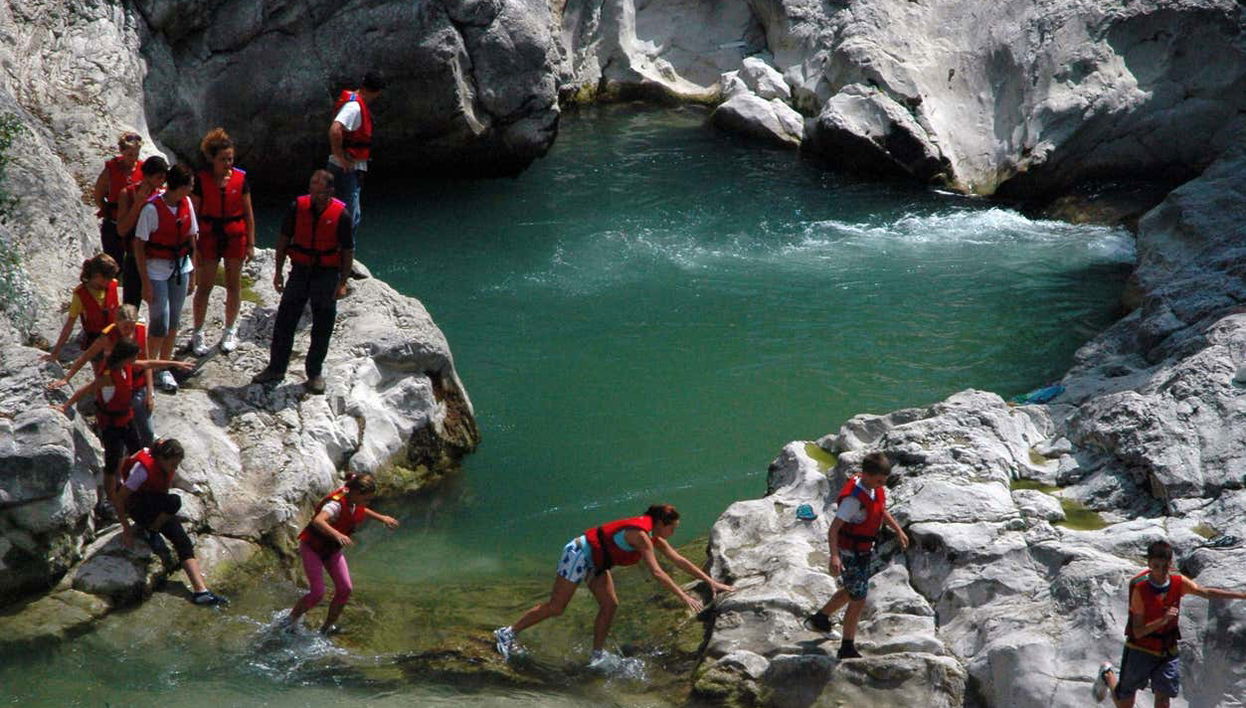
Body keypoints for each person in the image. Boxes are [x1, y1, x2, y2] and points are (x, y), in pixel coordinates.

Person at [492, 504, 734, 666]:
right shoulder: (640, 535)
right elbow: (657, 572)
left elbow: (678, 559)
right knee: (557, 607)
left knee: (610, 605)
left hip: (597, 563)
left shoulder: (652, 535)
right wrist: (684, 596)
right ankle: (506, 633)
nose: (673, 532)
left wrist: (712, 582)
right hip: (579, 554)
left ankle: (596, 656)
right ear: (660, 523)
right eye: (672, 527)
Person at [1092, 540, 1246, 707]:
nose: (1160, 571)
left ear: (1171, 564)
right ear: (1149, 564)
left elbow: (1205, 592)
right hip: (1140, 649)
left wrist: (1241, 595)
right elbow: (1137, 632)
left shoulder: (1177, 581)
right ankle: (1107, 674)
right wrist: (1163, 620)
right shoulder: (1141, 589)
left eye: (1165, 566)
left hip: (1167, 650)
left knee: (1163, 702)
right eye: (1156, 566)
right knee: (1125, 704)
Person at [55, 340, 191, 516]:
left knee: (139, 454)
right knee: (111, 464)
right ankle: (111, 500)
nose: (136, 360)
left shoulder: (127, 367)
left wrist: (175, 363)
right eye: (134, 357)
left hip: (126, 419)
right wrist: (65, 406)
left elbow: (149, 363)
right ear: (126, 357)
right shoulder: (108, 376)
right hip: (111, 426)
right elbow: (86, 390)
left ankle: (135, 489)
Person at [250, 170, 353, 394]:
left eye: (320, 191)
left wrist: (342, 282)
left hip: (326, 274)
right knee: (285, 320)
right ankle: (276, 367)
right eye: (312, 189)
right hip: (300, 270)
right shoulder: (297, 208)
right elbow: (284, 239)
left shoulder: (341, 215)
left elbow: (347, 252)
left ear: (330, 192)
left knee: (322, 324)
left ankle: (314, 372)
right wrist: (278, 272)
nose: (315, 194)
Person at [805, 451, 910, 660]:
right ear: (867, 475)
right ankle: (847, 647)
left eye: (884, 481)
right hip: (850, 552)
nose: (882, 485)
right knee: (858, 599)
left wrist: (898, 530)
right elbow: (833, 529)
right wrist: (834, 557)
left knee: (851, 590)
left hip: (864, 549)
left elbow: (880, 511)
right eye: (879, 480)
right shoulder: (853, 500)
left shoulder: (873, 489)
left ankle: (820, 619)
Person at [114, 437, 228, 606]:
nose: (175, 468)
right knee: (173, 501)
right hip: (138, 507)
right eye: (173, 464)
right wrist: (126, 529)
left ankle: (201, 592)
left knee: (182, 541)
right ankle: (151, 530)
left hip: (155, 505)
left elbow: (162, 488)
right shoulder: (142, 470)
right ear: (161, 458)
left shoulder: (165, 466)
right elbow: (119, 499)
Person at [286, 473, 398, 634]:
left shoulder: (353, 500)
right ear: (356, 494)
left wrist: (382, 518)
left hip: (331, 549)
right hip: (313, 548)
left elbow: (360, 509)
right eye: (366, 499)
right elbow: (318, 520)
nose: (368, 503)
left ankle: (326, 628)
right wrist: (338, 534)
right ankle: (290, 621)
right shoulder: (335, 504)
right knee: (318, 593)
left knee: (345, 589)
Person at [49, 304, 156, 445]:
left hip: (135, 383)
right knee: (116, 425)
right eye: (125, 327)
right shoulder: (107, 337)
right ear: (116, 322)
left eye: (131, 326)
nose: (128, 331)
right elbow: (85, 357)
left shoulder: (140, 330)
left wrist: (150, 393)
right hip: (114, 382)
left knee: (146, 431)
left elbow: (146, 362)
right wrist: (66, 378)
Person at [189, 128, 255, 356]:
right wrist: (193, 247)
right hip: (208, 236)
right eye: (223, 159)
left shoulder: (241, 178)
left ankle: (229, 330)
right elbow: (193, 214)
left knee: (233, 285)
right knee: (204, 286)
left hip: (235, 235)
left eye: (231, 159)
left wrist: (251, 244)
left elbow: (248, 212)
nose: (228, 164)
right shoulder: (201, 180)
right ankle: (197, 331)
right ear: (212, 159)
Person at [134, 163, 198, 392]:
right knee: (159, 321)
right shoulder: (152, 209)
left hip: (180, 268)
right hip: (156, 271)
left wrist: (193, 274)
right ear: (179, 187)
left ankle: (165, 368)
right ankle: (150, 369)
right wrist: (145, 283)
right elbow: (139, 245)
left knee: (174, 322)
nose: (191, 190)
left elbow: (192, 240)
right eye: (189, 186)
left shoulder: (186, 204)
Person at [327, 71, 385, 231]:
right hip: (345, 168)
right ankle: (342, 253)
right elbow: (335, 129)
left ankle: (340, 250)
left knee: (348, 214)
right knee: (348, 217)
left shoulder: (354, 102)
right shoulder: (354, 107)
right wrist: (340, 157)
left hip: (347, 167)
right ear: (377, 92)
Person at [43, 254, 121, 362]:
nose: (110, 282)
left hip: (114, 335)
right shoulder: (80, 294)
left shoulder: (113, 284)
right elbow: (69, 326)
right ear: (97, 275)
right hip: (95, 341)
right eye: (107, 279)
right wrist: (55, 352)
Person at [116, 156, 169, 309]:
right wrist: (138, 203)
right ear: (147, 176)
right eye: (159, 177)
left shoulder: (164, 195)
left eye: (164, 178)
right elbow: (122, 229)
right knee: (131, 305)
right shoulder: (128, 194)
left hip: (158, 256)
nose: (162, 182)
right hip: (134, 256)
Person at [92, 132, 144, 266]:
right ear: (122, 151)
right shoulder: (111, 169)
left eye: (136, 155)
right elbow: (98, 194)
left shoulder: (142, 169)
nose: (133, 158)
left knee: (134, 262)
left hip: (134, 224)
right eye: (129, 155)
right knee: (113, 263)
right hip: (113, 223)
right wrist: (108, 210)